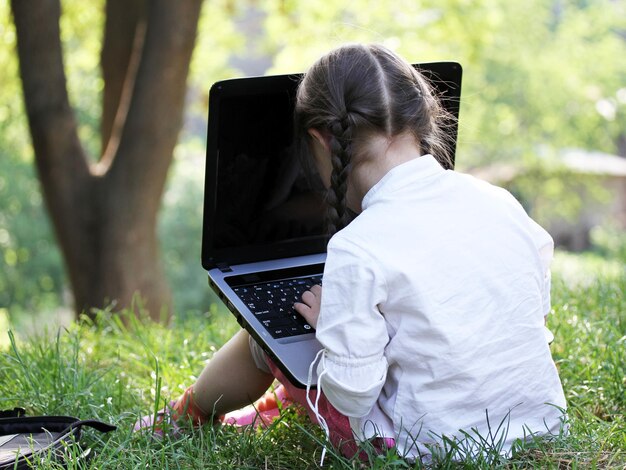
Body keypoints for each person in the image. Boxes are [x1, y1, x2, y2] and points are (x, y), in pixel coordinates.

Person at [135, 43, 567, 463]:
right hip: (537, 427)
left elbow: (353, 393)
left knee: (262, 339)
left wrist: (331, 329)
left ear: (321, 141)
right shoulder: (497, 201)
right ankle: (283, 402)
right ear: (423, 117)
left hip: (422, 450)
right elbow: (533, 299)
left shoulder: (358, 246)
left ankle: (185, 414)